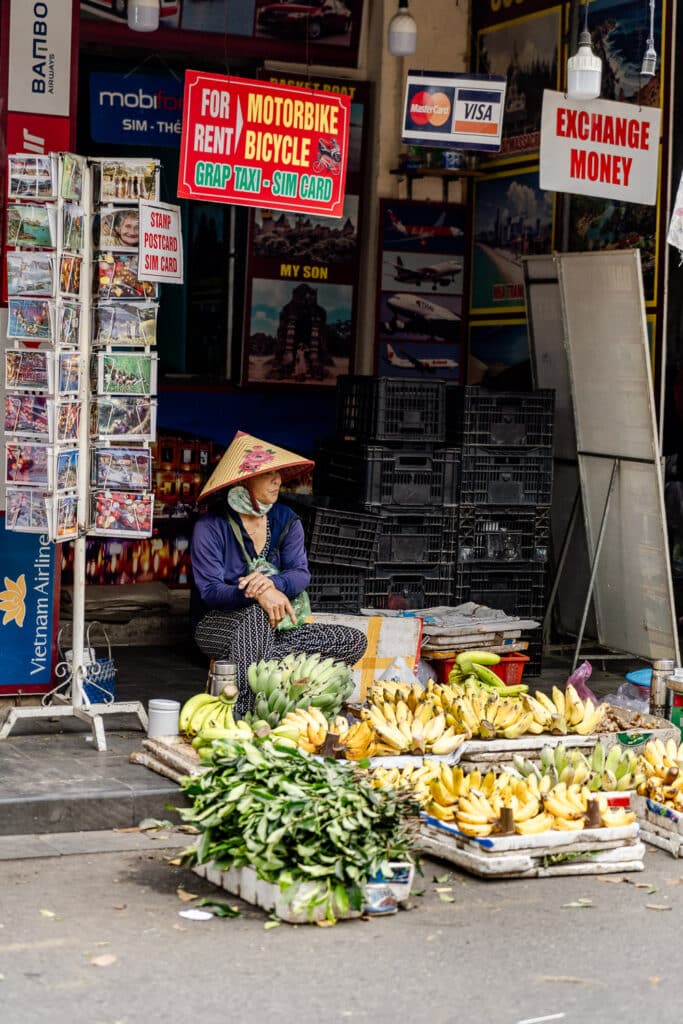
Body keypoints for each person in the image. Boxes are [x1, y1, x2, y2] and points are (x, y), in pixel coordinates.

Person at [190, 431, 368, 717]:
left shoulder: (286, 519)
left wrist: (271, 583)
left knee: (353, 640)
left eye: (278, 474)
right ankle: (244, 713)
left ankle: (266, 673)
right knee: (256, 614)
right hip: (216, 625)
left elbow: (300, 575)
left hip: (281, 630)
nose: (278, 480)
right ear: (244, 480)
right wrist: (257, 593)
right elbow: (210, 592)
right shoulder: (211, 526)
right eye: (268, 474)